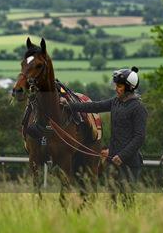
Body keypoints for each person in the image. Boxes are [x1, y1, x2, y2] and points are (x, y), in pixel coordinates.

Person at [63, 66, 148, 197]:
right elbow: (94, 106)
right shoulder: (115, 102)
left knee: (127, 201)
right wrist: (70, 105)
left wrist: (122, 156)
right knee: (112, 201)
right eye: (116, 85)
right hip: (112, 161)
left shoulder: (138, 108)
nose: (116, 89)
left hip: (129, 163)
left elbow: (139, 137)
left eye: (119, 86)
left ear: (129, 87)